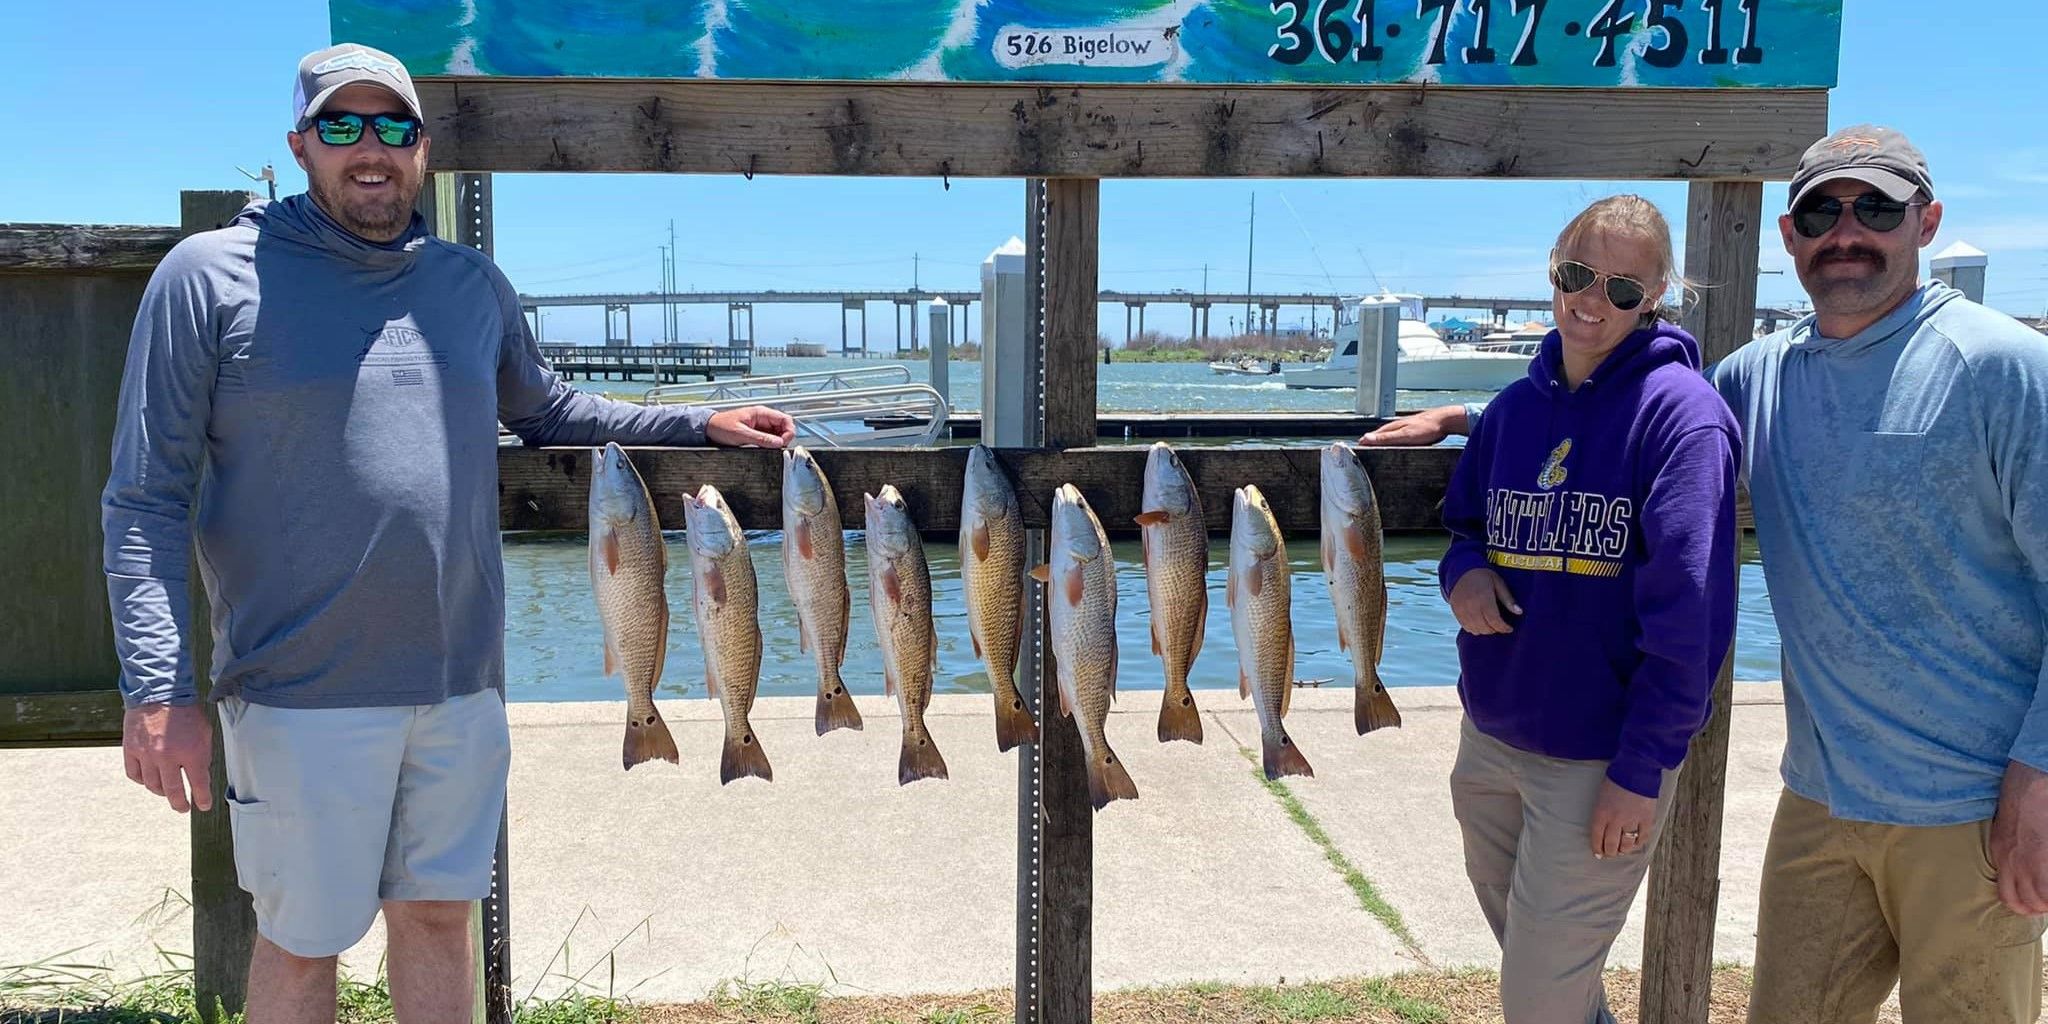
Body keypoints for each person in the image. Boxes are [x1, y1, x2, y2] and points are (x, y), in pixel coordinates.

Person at [101, 43, 796, 1024]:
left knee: (437, 923)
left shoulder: (471, 286)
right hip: (294, 696)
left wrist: (697, 423)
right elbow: (142, 500)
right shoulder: (205, 279)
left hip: (461, 694)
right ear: (301, 146)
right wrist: (158, 686)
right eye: (342, 126)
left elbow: (550, 411)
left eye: (393, 125)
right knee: (301, 947)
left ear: (423, 147)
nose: (370, 148)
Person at [1368, 125, 2048, 1022]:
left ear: (1926, 222)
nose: (1848, 230)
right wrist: (1463, 415)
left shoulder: (2004, 365)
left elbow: (1685, 585)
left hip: (1969, 807)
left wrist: (2037, 781)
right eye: (1821, 211)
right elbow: (1598, 408)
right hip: (1820, 795)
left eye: (1877, 207)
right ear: (1790, 236)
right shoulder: (1759, 375)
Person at [1435, 195, 1741, 1023]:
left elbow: (1692, 621)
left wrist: (1639, 773)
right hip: (1489, 740)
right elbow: (1463, 527)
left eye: (1622, 288)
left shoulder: (1683, 418)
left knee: (1536, 1000)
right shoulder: (1513, 409)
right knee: (1550, 979)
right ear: (1552, 272)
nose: (1591, 301)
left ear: (1658, 298)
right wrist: (1461, 574)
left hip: (1597, 765)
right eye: (1577, 275)